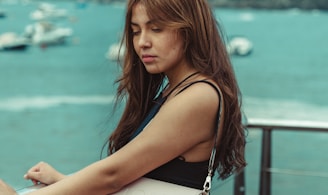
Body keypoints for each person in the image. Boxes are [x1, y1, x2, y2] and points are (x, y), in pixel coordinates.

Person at [0, 0, 246, 194]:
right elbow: (140, 178)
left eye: (156, 29)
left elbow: (114, 175)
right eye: (136, 31)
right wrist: (64, 181)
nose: (142, 43)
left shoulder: (198, 96)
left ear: (189, 30)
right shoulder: (176, 90)